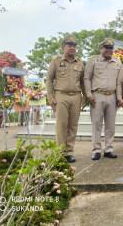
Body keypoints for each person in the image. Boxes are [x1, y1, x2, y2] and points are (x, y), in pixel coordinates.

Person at [46, 34, 86, 163]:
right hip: (61, 96)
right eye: (69, 45)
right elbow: (49, 79)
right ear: (63, 47)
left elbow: (83, 82)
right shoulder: (56, 61)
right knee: (61, 125)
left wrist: (85, 97)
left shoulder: (79, 63)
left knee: (73, 125)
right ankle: (60, 151)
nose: (72, 48)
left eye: (74, 46)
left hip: (76, 96)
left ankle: (69, 152)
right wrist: (50, 97)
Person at [84, 38, 122, 161]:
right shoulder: (93, 61)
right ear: (101, 48)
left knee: (110, 125)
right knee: (97, 124)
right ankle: (96, 150)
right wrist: (89, 94)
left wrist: (119, 97)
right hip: (97, 96)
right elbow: (87, 78)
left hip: (112, 96)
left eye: (111, 48)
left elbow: (120, 82)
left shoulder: (117, 62)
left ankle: (109, 149)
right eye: (106, 48)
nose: (109, 50)